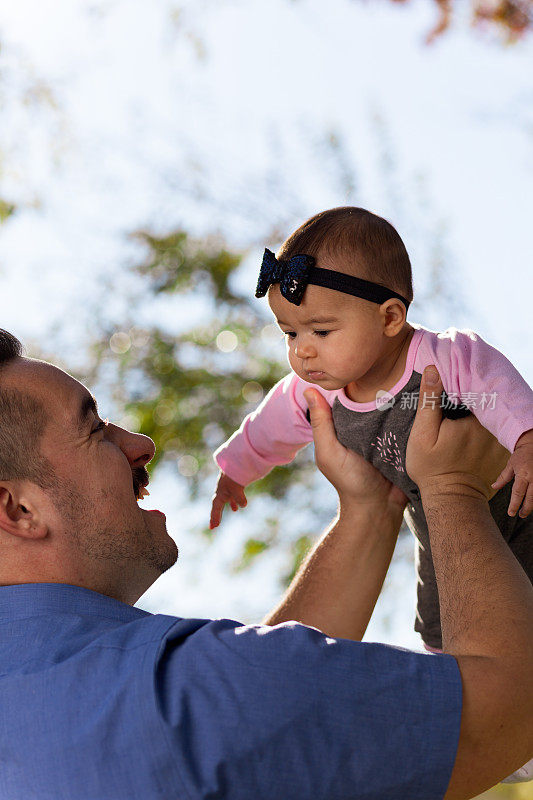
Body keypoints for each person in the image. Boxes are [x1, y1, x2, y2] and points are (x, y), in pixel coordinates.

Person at [0, 328, 532, 799]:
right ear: (18, 510)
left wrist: (370, 509)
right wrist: (452, 486)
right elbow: (510, 710)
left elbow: (268, 732)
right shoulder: (173, 697)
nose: (141, 443)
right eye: (94, 430)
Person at [210, 207, 533, 658]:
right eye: (288, 333)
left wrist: (525, 439)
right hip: (443, 536)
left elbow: (497, 388)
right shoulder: (315, 393)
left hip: (517, 500)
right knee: (449, 638)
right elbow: (266, 429)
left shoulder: (442, 359)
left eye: (321, 330)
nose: (302, 350)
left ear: (389, 318)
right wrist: (235, 469)